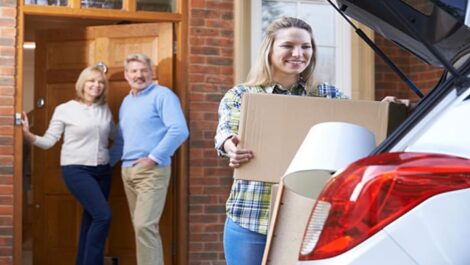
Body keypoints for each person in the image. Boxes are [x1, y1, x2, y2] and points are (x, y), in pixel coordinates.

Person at [214, 17, 349, 265]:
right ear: (270, 49)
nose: (298, 53)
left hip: (307, 218)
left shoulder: (329, 95)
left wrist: (387, 109)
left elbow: (359, 126)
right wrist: (230, 146)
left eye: (306, 47)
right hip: (251, 215)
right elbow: (225, 132)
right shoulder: (242, 95)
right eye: (288, 45)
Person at [21, 65, 114, 265]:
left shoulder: (105, 109)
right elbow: (48, 141)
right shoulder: (65, 109)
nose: (96, 85)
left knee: (91, 219)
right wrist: (28, 136)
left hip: (103, 171)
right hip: (77, 170)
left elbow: (115, 136)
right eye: (91, 81)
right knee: (103, 215)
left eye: (100, 82)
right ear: (82, 83)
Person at [110, 53, 189, 265]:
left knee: (145, 226)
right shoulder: (127, 102)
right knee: (140, 228)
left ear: (151, 73)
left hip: (151, 172)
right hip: (127, 171)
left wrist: (153, 158)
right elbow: (120, 139)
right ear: (126, 75)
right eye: (134, 71)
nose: (139, 75)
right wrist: (106, 165)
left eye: (144, 70)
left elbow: (179, 130)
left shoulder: (163, 95)